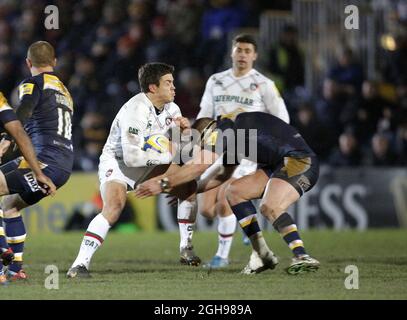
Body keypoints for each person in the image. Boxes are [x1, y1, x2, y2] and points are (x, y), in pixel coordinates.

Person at [136, 111, 320, 275]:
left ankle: (302, 255)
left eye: (201, 145)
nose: (202, 150)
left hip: (299, 160)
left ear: (208, 133)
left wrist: (163, 183)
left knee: (270, 206)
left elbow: (199, 167)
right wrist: (192, 189)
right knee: (234, 192)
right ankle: (262, 254)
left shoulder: (223, 129)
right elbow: (223, 174)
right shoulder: (233, 132)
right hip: (277, 164)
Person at [67, 62, 190, 278]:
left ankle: (186, 248)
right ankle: (79, 265)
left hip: (149, 162)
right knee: (114, 206)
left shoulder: (173, 109)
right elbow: (133, 158)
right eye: (168, 83)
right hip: (119, 164)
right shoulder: (136, 110)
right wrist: (171, 154)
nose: (174, 87)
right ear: (153, 87)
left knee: (189, 181)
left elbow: (179, 147)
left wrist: (185, 133)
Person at [176, 34, 289, 269]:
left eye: (248, 51)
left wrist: (269, 141)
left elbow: (282, 118)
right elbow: (205, 114)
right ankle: (244, 220)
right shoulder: (216, 80)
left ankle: (222, 256)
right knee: (207, 210)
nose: (243, 55)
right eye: (239, 50)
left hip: (245, 149)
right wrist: (195, 140)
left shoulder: (264, 84)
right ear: (231, 53)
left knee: (226, 200)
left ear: (255, 55)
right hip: (215, 147)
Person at [0, 41, 73, 283]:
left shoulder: (31, 83)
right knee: (10, 206)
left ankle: (2, 257)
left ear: (28, 63)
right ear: (54, 63)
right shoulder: (64, 90)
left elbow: (25, 110)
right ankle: (15, 269)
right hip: (63, 166)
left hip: (43, 161)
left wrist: (7, 136)